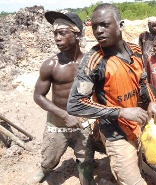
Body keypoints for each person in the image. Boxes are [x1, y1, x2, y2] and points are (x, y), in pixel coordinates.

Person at [67, 3, 156, 185]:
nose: (98, 31)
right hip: (114, 132)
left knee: (138, 165)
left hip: (136, 125)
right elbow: (75, 103)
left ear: (120, 24)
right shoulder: (94, 60)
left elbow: (143, 82)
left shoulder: (134, 50)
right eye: (94, 26)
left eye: (104, 24)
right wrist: (121, 112)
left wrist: (151, 100)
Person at [27, 11, 95, 185]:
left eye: (62, 33)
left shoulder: (90, 63)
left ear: (77, 34)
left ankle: (85, 175)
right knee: (50, 157)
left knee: (86, 159)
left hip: (83, 122)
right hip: (57, 123)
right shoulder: (51, 65)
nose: (57, 38)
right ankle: (44, 169)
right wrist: (64, 115)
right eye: (54, 34)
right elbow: (38, 95)